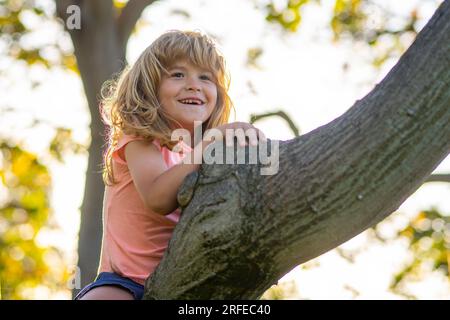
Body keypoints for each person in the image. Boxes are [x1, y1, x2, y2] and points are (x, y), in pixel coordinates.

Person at [75, 30, 265, 300]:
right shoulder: (140, 139)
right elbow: (157, 196)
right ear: (149, 87)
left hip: (186, 283)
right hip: (125, 283)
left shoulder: (198, 155)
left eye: (205, 77)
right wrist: (210, 143)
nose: (193, 85)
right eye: (177, 74)